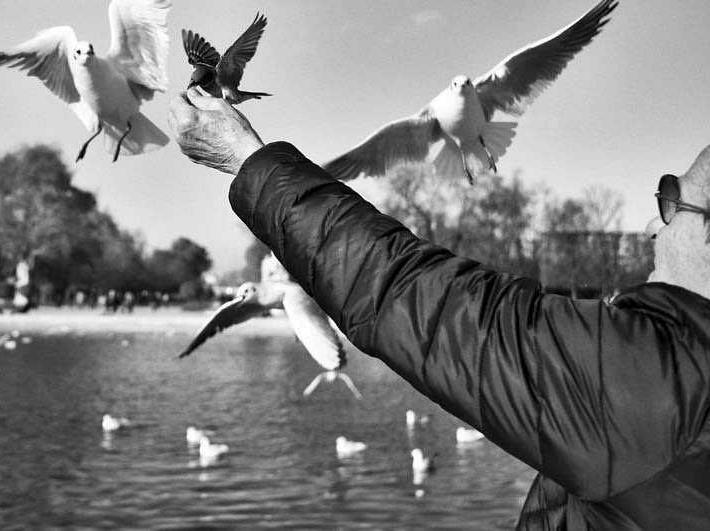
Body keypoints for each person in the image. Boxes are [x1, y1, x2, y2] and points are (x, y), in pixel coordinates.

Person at [168, 87, 710, 530]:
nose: (653, 223)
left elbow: (422, 300)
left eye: (671, 198)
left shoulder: (668, 383)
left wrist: (249, 161)